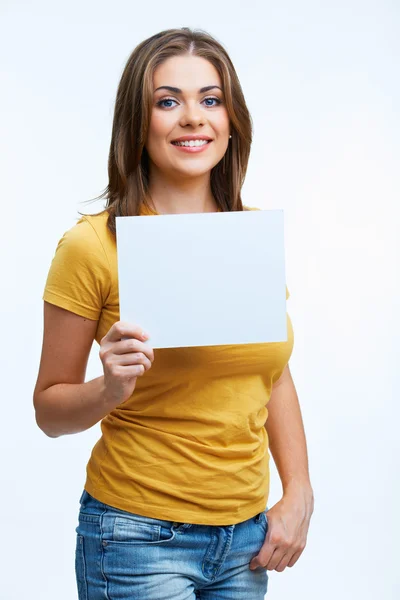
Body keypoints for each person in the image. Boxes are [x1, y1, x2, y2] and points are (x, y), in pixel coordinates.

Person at [33, 27, 314, 600]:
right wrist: (109, 387)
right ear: (138, 124)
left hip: (244, 542)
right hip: (136, 538)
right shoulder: (92, 246)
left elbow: (271, 373)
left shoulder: (249, 239)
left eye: (210, 100)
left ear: (231, 120)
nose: (193, 117)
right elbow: (48, 410)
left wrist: (299, 490)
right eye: (168, 101)